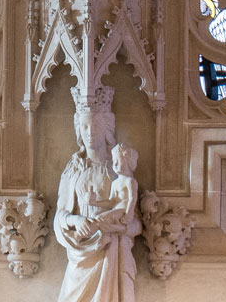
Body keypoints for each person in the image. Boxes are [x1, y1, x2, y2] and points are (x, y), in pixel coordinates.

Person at [53, 101, 140, 302]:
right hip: (81, 251)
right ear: (78, 130)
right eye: (84, 126)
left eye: (96, 126)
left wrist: (114, 228)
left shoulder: (119, 169)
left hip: (112, 251)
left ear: (107, 129)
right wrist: (77, 222)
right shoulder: (73, 169)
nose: (90, 132)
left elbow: (135, 223)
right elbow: (60, 215)